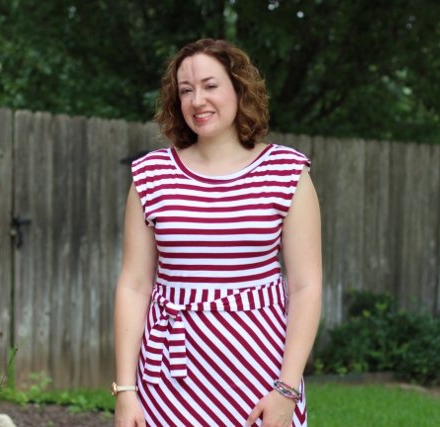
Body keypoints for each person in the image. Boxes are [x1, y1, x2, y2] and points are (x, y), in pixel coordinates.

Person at [113, 38, 322, 427]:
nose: (197, 101)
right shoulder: (151, 176)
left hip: (262, 375)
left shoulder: (287, 173)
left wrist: (286, 389)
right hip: (168, 379)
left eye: (210, 86)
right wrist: (126, 392)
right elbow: (134, 284)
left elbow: (306, 286)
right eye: (186, 90)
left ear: (239, 89)